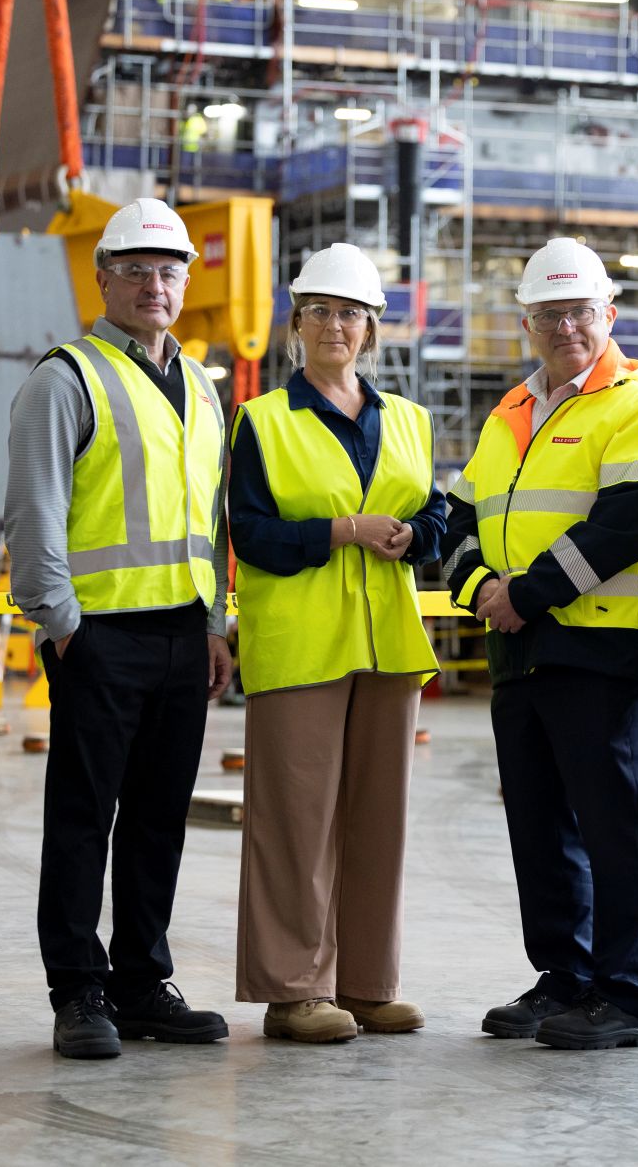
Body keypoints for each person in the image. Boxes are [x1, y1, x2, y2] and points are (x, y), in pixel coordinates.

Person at [440, 237, 638, 1051]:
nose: (567, 327)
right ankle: (565, 977)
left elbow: (629, 520)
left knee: (612, 824)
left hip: (604, 647)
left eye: (580, 312)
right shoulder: (509, 412)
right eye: (550, 314)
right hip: (520, 651)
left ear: (607, 315)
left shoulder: (637, 406)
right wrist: (480, 590)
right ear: (527, 323)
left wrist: (528, 593)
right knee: (539, 825)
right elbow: (460, 521)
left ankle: (629, 994)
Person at [4, 198, 234, 1059]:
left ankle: (142, 981)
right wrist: (63, 625)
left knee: (157, 818)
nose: (154, 283)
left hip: (183, 634)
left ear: (186, 281)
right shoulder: (67, 377)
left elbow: (208, 517)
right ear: (101, 277)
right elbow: (35, 510)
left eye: (169, 268)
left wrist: (216, 620)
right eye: (135, 268)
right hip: (99, 636)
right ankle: (78, 989)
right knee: (82, 816)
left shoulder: (205, 388)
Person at [228, 244, 446, 1043]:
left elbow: (437, 517)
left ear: (371, 330)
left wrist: (414, 533)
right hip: (301, 644)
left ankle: (364, 981)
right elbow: (248, 532)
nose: (335, 325)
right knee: (296, 819)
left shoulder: (409, 421)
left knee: (377, 818)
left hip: (388, 643)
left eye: (350, 312)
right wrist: (340, 531)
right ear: (297, 323)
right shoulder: (263, 421)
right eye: (319, 310)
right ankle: (294, 988)